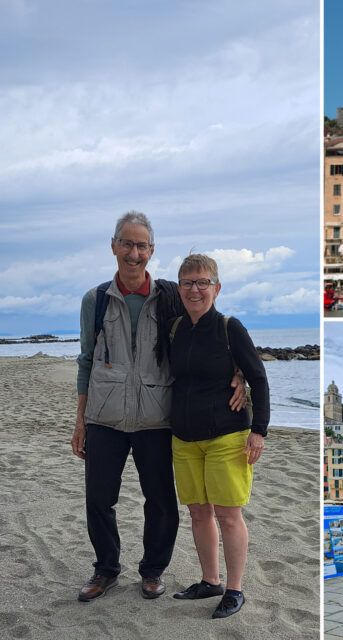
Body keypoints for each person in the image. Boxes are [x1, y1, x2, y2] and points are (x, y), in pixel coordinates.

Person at [72, 212, 245, 603]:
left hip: (156, 418)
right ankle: (106, 569)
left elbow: (208, 325)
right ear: (114, 246)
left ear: (152, 251)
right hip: (105, 417)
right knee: (99, 499)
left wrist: (239, 370)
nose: (134, 253)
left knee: (161, 502)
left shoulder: (169, 295)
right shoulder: (95, 300)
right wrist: (80, 420)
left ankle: (152, 572)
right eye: (127, 244)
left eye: (142, 246)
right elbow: (86, 361)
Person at [167, 253, 270, 619]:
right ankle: (210, 580)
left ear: (217, 287)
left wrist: (259, 431)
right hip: (184, 438)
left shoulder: (230, 327)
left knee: (229, 515)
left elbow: (258, 377)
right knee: (198, 512)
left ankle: (234, 588)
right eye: (188, 283)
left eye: (203, 283)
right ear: (179, 287)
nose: (195, 290)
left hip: (228, 436)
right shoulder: (175, 328)